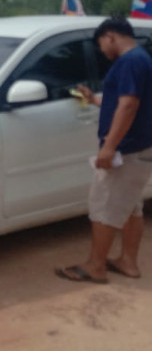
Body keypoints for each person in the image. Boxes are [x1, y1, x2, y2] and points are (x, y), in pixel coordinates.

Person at [55, 16, 152, 284]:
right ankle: (128, 262)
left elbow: (129, 105)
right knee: (132, 207)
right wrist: (93, 99)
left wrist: (109, 147)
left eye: (101, 44)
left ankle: (95, 266)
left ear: (110, 35)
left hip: (127, 150)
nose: (102, 51)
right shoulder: (141, 58)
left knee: (103, 206)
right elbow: (122, 100)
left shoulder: (130, 62)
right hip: (141, 147)